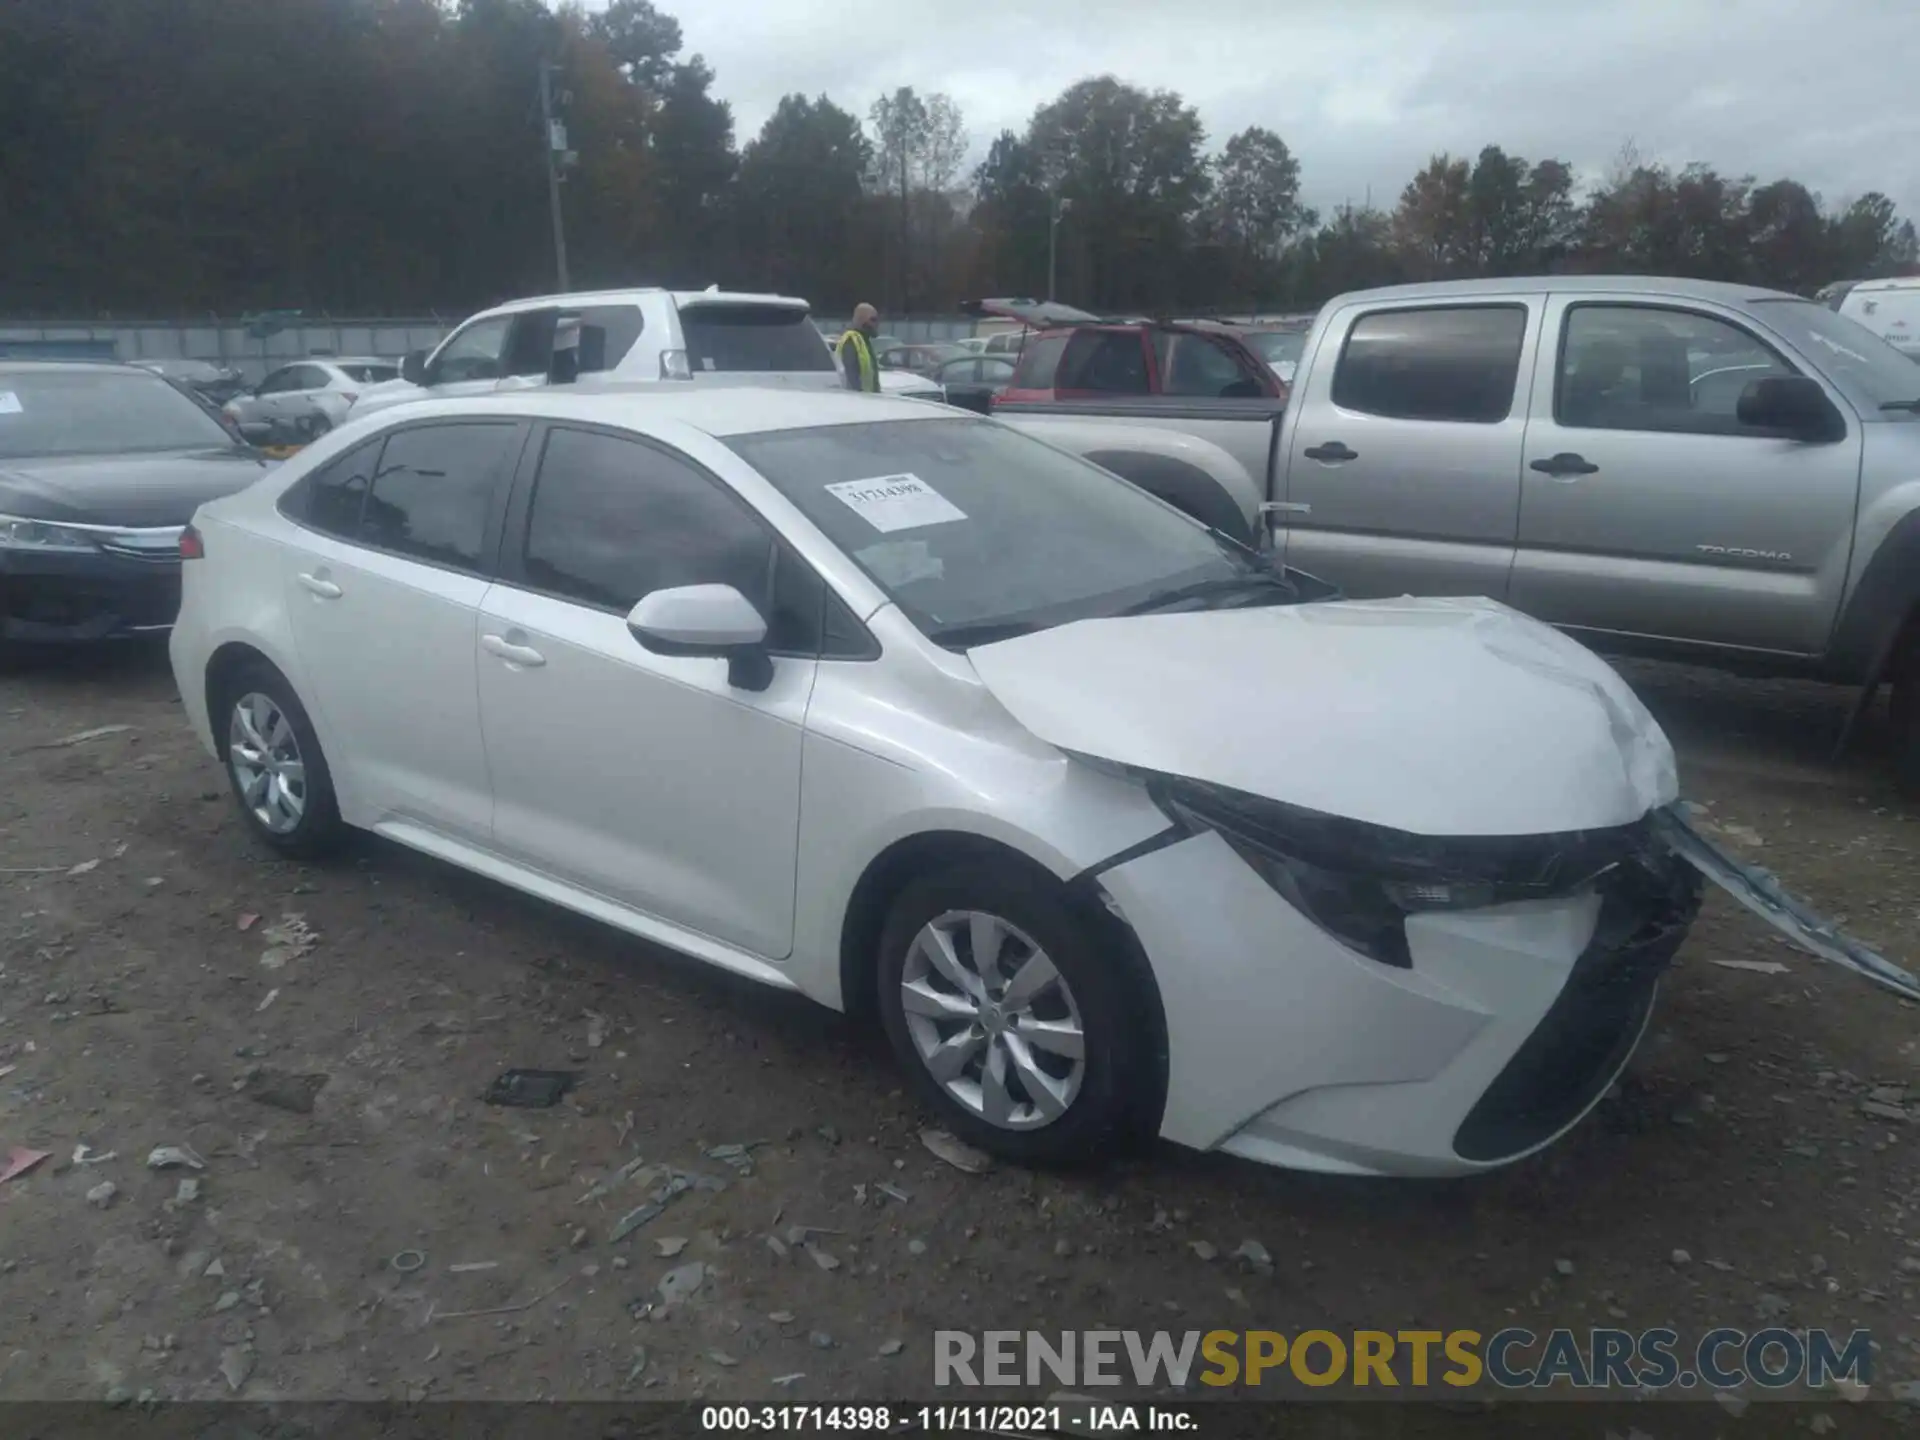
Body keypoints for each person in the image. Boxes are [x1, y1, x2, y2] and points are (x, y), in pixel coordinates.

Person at [837, 303, 881, 392]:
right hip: (858, 401)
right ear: (861, 320)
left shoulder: (864, 341)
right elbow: (850, 377)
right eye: (873, 320)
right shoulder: (850, 340)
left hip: (868, 399)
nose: (876, 324)